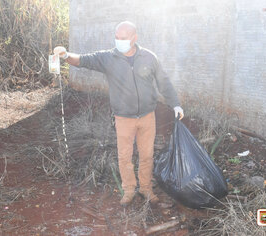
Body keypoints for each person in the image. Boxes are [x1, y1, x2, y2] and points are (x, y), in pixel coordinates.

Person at [54, 21, 184, 206]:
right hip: (124, 118)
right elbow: (82, 60)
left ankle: (146, 189)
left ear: (134, 38)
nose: (119, 41)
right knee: (125, 157)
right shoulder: (108, 58)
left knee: (147, 155)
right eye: (116, 37)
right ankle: (129, 190)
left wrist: (176, 104)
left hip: (147, 116)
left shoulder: (148, 57)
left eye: (123, 38)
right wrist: (66, 55)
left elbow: (164, 82)